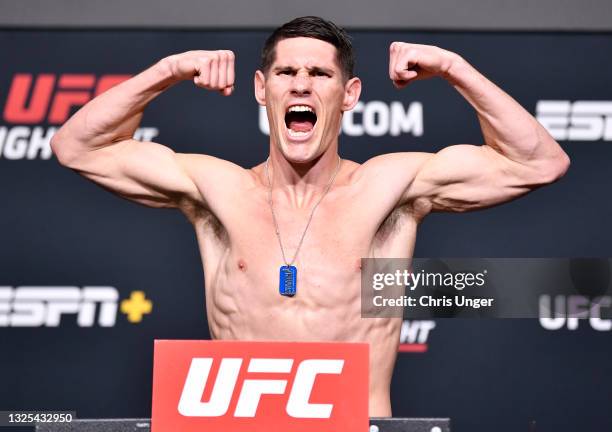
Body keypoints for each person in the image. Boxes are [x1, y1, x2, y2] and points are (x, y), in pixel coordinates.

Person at [50, 16, 570, 416]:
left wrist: (452, 67)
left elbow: (539, 162)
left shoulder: (388, 188)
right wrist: (168, 71)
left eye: (320, 74)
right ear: (262, 89)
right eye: (286, 72)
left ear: (349, 96)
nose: (301, 85)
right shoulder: (219, 190)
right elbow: (78, 147)